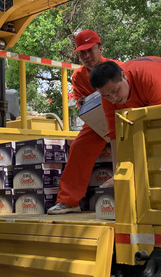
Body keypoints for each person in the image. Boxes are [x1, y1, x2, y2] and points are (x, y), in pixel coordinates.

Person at [89, 57, 161, 179]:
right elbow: (116, 135)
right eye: (106, 95)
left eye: (116, 91)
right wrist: (117, 174)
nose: (113, 98)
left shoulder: (149, 80)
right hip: (149, 98)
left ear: (123, 76)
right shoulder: (107, 98)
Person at [48, 29, 122, 215]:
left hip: (123, 116)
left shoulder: (118, 67)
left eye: (90, 50)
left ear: (100, 48)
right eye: (82, 52)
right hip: (99, 121)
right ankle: (69, 201)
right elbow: (82, 104)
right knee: (79, 146)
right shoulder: (78, 76)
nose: (87, 56)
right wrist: (82, 103)